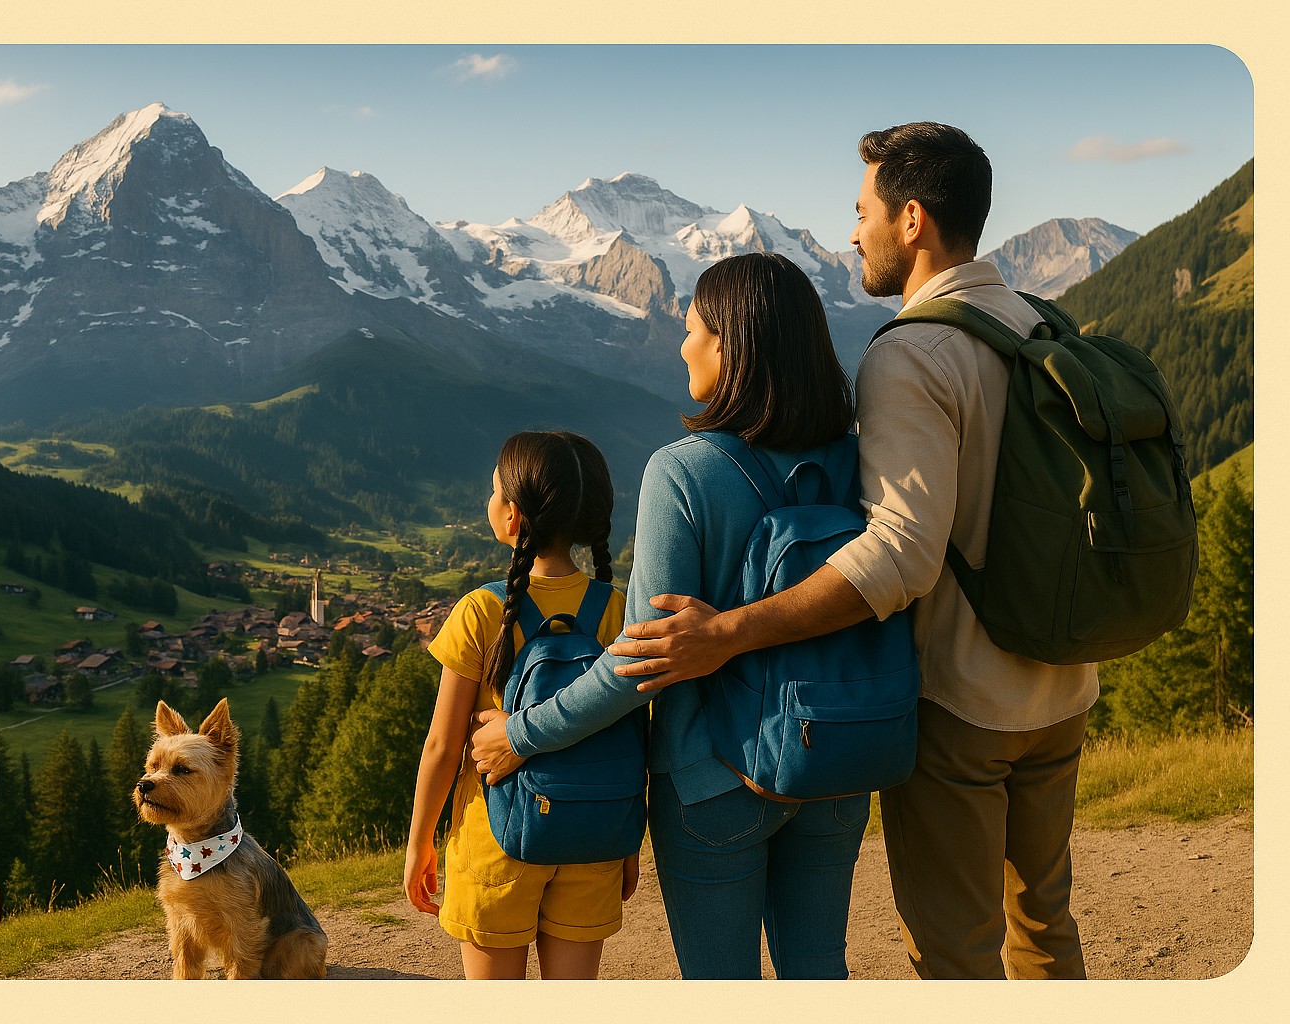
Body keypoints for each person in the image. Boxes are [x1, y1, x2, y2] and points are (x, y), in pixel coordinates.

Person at [588, 123, 1099, 980]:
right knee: (1044, 924)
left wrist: (729, 634)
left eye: (860, 210)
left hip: (959, 699)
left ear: (910, 219)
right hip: (1062, 682)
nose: (849, 230)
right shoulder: (1043, 324)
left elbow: (900, 554)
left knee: (956, 952)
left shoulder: (912, 353)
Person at [471, 252, 868, 979]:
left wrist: (520, 736)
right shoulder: (856, 460)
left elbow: (640, 661)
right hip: (835, 760)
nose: (681, 344)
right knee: (819, 972)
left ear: (729, 344)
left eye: (691, 328)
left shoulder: (683, 471)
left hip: (713, 778)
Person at [403, 430, 640, 980]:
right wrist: (627, 841)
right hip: (594, 838)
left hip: (496, 841)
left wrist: (419, 844)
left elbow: (441, 745)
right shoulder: (617, 610)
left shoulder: (480, 612)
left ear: (512, 516)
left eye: (493, 490)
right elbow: (633, 735)